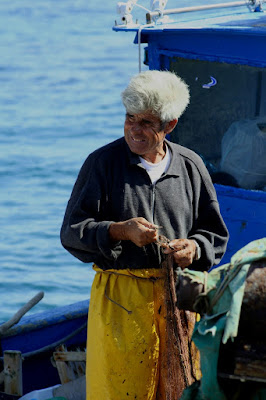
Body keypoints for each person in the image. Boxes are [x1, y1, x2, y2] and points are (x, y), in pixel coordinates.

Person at [60, 70, 229, 400]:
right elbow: (72, 233)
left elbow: (215, 236)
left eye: (147, 123)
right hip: (120, 304)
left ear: (170, 125)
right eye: (130, 118)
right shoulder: (102, 164)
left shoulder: (191, 166)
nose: (134, 130)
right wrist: (120, 230)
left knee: (181, 387)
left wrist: (193, 249)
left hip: (179, 302)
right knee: (120, 390)